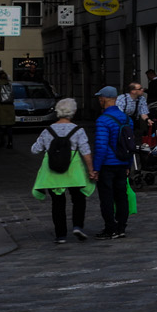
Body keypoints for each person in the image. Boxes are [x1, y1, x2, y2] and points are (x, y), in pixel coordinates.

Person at [32, 98, 94, 243]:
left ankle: (60, 235)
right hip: (74, 171)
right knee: (79, 199)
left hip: (53, 171)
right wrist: (91, 170)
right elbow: (86, 151)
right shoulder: (78, 130)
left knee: (57, 203)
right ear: (73, 112)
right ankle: (78, 226)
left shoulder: (47, 131)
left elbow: (35, 150)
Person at [91, 85, 134, 240]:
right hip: (123, 163)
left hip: (108, 165)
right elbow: (129, 144)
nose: (98, 100)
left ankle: (110, 228)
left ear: (103, 99)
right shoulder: (127, 119)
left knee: (107, 198)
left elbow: (101, 147)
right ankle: (121, 227)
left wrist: (95, 168)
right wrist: (128, 164)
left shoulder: (103, 120)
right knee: (121, 196)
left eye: (99, 98)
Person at [0, 71, 14, 150]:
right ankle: (10, 142)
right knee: (9, 127)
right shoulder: (10, 85)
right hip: (10, 108)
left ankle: (2, 140)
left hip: (0, 108)